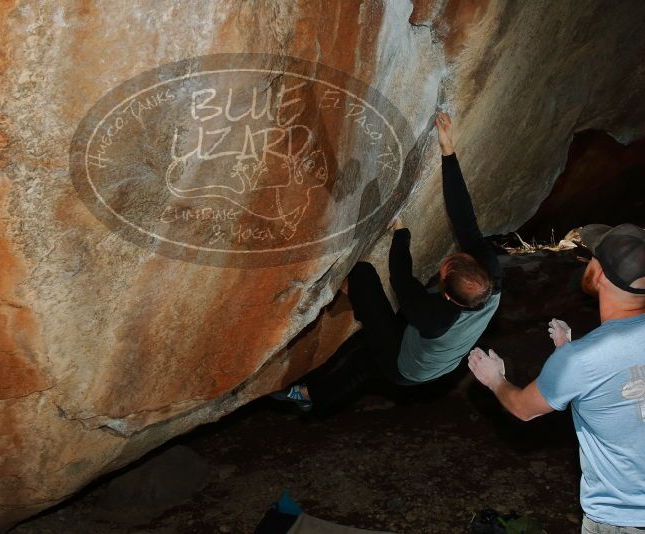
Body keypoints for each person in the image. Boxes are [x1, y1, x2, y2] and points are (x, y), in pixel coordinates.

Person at [272, 112, 502, 412]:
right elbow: (464, 217)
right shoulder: (490, 274)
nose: (448, 258)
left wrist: (400, 232)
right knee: (369, 354)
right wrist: (448, 151)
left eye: (446, 266)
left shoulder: (430, 316)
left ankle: (310, 393)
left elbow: (400, 279)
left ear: (445, 294)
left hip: (409, 369)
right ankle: (318, 386)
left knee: (364, 281)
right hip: (438, 355)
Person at [468, 223, 645, 533]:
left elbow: (525, 408)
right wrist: (570, 354)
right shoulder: (582, 359)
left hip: (622, 520)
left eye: (592, 257)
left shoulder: (582, 360)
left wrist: (494, 379)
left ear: (600, 274)